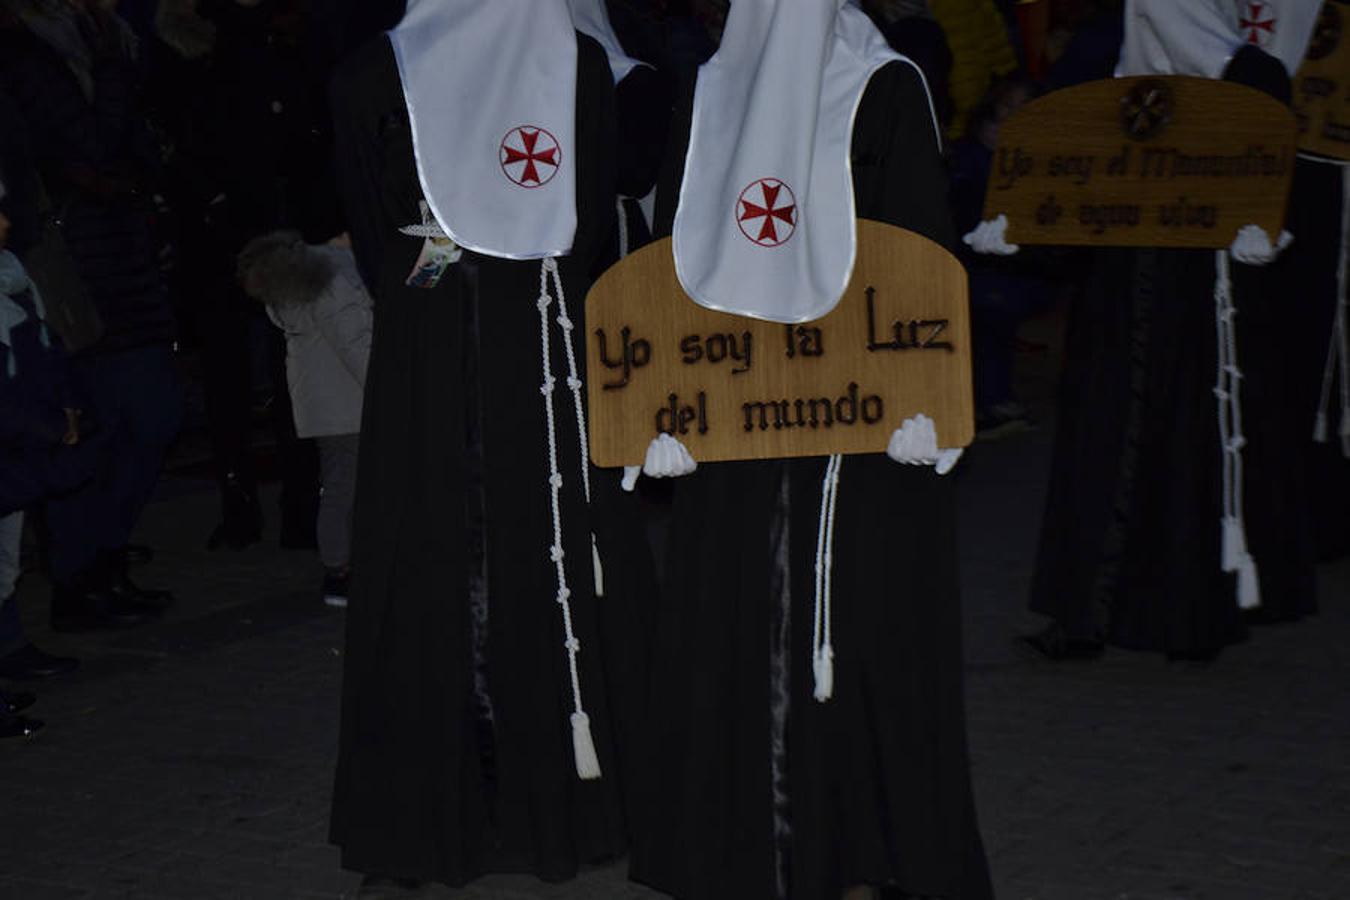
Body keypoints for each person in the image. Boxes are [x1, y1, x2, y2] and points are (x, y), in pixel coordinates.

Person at [628, 3, 993, 898]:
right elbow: (674, 253)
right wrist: (654, 409)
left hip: (859, 433)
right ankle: (735, 850)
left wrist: (929, 404)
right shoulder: (713, 89)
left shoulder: (881, 86)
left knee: (860, 649)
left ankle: (857, 853)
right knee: (734, 631)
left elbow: (916, 252)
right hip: (736, 429)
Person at [327, 2, 633, 893]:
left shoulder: (374, 70)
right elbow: (592, 223)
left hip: (452, 350)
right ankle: (533, 807)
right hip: (531, 344)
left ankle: (452, 814)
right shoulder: (564, 62)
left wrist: (447, 260)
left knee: (455, 560)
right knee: (485, 558)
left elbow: (385, 241)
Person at [1016, 0, 1320, 659]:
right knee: (1134, 426)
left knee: (1169, 426)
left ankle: (1172, 611)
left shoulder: (1230, 61)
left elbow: (1244, 93)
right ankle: (1126, 611)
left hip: (1181, 265)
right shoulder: (1119, 42)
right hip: (1138, 256)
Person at [0, 0, 181, 631]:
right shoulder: (29, 51)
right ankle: (81, 577)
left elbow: (140, 141)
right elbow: (87, 144)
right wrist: (110, 68)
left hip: (124, 253)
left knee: (152, 419)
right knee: (101, 424)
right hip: (75, 267)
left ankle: (101, 562)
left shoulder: (112, 41)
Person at [238, 231, 372, 607]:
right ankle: (339, 571)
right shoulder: (331, 274)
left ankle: (341, 567)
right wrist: (388, 393)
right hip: (351, 403)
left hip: (329, 405)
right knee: (346, 487)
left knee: (341, 484)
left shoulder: (302, 277)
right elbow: (355, 342)